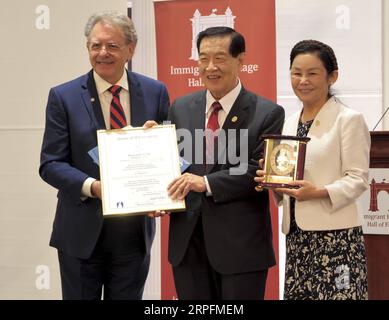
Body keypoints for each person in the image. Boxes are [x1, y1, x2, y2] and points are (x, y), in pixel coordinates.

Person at [39, 12, 169, 300]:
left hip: (133, 236)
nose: (102, 53)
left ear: (130, 49)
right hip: (80, 233)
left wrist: (163, 186)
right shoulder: (64, 96)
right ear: (87, 49)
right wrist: (94, 187)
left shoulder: (155, 92)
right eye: (95, 45)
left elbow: (171, 154)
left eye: (112, 46)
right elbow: (50, 164)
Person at [162, 27, 284, 300]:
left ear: (241, 61)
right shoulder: (180, 107)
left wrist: (204, 183)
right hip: (188, 244)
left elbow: (257, 170)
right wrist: (150, 143)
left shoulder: (267, 113)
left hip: (240, 247)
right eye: (203, 59)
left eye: (219, 58)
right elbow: (170, 162)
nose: (210, 67)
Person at [255, 39, 370, 300]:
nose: (302, 80)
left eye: (312, 73)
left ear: (332, 76)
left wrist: (318, 192)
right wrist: (273, 179)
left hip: (337, 239)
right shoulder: (289, 122)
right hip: (298, 238)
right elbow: (290, 182)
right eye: (296, 73)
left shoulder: (348, 119)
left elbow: (358, 179)